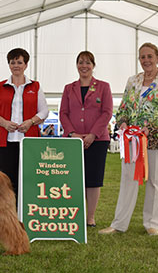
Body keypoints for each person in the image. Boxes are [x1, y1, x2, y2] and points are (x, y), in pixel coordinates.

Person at [99, 43, 158, 236]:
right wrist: (123, 123)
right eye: (142, 57)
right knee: (128, 180)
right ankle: (119, 224)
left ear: (157, 58)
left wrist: (150, 129)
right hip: (132, 141)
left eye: (149, 56)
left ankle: (152, 224)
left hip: (156, 140)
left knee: (155, 182)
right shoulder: (132, 81)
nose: (146, 60)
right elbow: (124, 107)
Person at [0, 48, 49, 201]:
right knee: (5, 181)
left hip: (29, 142)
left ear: (26, 65)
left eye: (19, 62)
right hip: (3, 142)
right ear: (8, 65)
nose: (16, 65)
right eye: (12, 62)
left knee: (28, 178)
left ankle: (26, 210)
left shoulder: (35, 87)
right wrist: (4, 123)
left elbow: (44, 111)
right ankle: (7, 212)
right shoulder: (0, 86)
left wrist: (31, 122)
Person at [60, 51, 113, 227]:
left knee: (94, 179)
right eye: (81, 62)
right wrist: (72, 134)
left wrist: (93, 134)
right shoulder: (69, 88)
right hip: (72, 141)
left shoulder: (104, 87)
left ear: (93, 65)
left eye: (88, 62)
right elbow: (63, 113)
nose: (84, 66)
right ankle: (76, 214)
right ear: (76, 65)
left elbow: (107, 112)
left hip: (97, 140)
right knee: (74, 178)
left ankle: (90, 217)